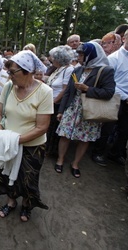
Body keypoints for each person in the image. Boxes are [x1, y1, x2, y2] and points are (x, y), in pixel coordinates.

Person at [0, 50, 52, 222]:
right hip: (7, 142)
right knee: (5, 174)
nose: (9, 76)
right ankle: (11, 202)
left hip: (32, 146)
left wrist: (15, 140)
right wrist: (0, 133)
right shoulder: (8, 87)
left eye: (12, 72)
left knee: (27, 179)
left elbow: (42, 127)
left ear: (27, 71)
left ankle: (26, 204)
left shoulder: (44, 92)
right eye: (8, 72)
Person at [55, 42, 115, 178]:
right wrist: (61, 110)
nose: (79, 56)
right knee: (64, 135)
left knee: (84, 138)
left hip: (89, 111)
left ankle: (75, 163)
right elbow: (68, 92)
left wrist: (87, 89)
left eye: (82, 54)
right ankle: (60, 159)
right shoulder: (78, 70)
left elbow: (109, 92)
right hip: (72, 108)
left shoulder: (105, 70)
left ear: (91, 55)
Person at [101, 30, 128, 166]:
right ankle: (98, 152)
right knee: (108, 126)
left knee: (124, 130)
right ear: (124, 38)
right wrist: (125, 96)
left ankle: (115, 154)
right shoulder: (114, 58)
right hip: (115, 97)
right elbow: (109, 81)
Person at [45, 45, 75, 157]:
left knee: (53, 128)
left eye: (53, 57)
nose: (50, 59)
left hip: (56, 104)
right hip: (50, 101)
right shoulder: (58, 69)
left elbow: (65, 89)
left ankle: (51, 151)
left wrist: (53, 102)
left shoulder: (69, 69)